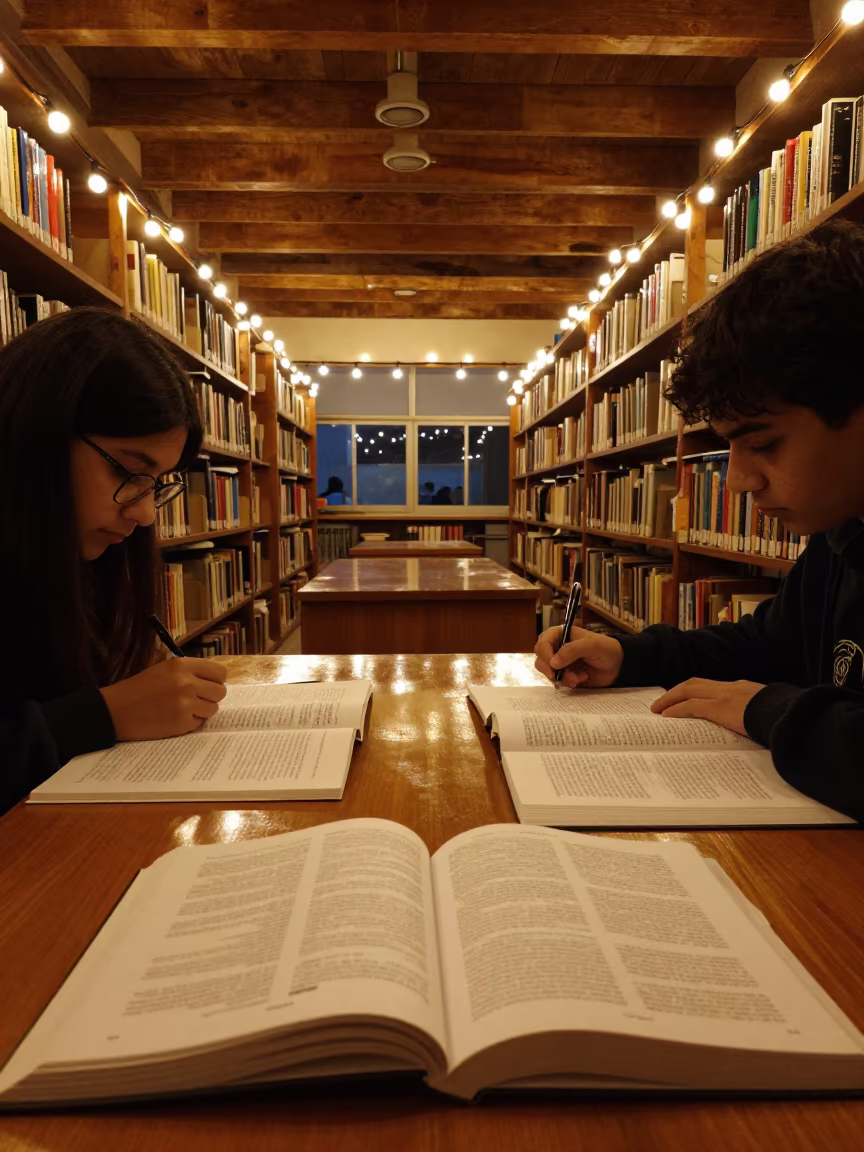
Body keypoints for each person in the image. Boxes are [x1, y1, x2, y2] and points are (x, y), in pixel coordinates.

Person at [535, 218, 864, 821]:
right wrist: (629, 657)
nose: (737, 481)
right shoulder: (840, 536)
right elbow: (764, 646)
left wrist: (769, 711)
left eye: (762, 443)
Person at [0, 308, 229, 815]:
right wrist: (102, 714)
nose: (145, 514)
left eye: (157, 485)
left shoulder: (81, 562)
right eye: (128, 470)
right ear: (35, 433)